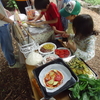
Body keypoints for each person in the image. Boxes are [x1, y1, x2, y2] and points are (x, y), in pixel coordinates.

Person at [0, 2, 22, 68]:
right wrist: (12, 22)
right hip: (1, 25)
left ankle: (11, 56)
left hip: (3, 23)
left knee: (8, 43)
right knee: (6, 45)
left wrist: (4, 10)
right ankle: (12, 63)